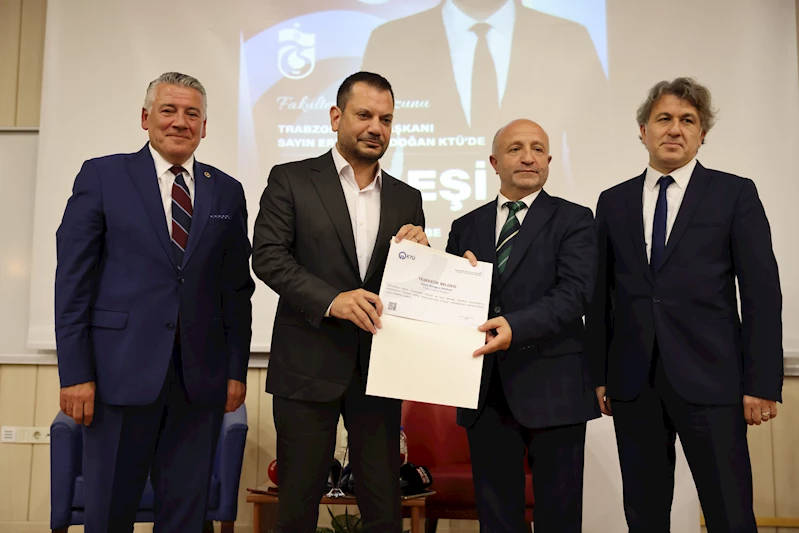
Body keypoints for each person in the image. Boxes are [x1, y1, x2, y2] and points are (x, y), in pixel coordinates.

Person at [54, 72, 255, 533]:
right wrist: (76, 373)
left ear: (204, 127)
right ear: (146, 118)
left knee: (186, 518)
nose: (180, 122)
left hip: (199, 384)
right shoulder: (102, 176)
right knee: (108, 514)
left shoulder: (227, 190)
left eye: (192, 114)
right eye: (169, 110)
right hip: (116, 379)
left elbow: (236, 290)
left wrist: (235, 371)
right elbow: (73, 283)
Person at [587, 77, 783, 533]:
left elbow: (761, 293)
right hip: (634, 383)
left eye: (687, 120)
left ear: (702, 134)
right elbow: (600, 296)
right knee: (644, 514)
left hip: (713, 381)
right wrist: (598, 374)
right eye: (664, 119)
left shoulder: (734, 194)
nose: (675, 129)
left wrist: (762, 382)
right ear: (643, 130)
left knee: (729, 513)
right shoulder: (613, 202)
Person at [252, 71, 426, 533]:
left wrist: (423, 258)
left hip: (379, 370)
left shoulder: (408, 197)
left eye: (386, 119)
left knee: (384, 505)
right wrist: (332, 300)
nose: (376, 128)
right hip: (306, 366)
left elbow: (406, 285)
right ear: (336, 117)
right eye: (364, 115)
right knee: (297, 504)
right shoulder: (291, 179)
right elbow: (267, 257)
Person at [446, 119, 600, 533]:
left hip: (556, 389)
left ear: (549, 159)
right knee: (497, 519)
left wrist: (515, 326)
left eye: (537, 149)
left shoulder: (575, 219)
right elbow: (452, 302)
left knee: (559, 518)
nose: (528, 157)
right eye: (515, 148)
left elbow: (576, 294)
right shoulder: (465, 226)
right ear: (494, 162)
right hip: (485, 391)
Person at [362, 0, 610, 210]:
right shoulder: (391, 38)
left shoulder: (569, 37)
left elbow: (595, 149)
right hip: (429, 224)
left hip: (547, 234)